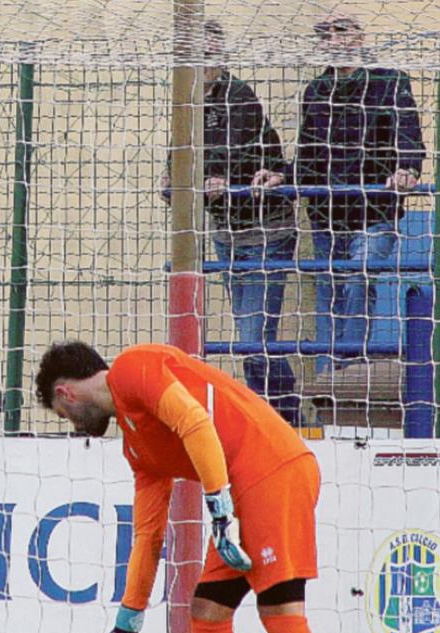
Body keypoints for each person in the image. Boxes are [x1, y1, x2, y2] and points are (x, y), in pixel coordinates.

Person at [35, 341, 330, 633]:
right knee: (208, 611)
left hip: (271, 471)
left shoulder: (133, 368)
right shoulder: (137, 448)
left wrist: (219, 507)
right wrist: (128, 623)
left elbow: (195, 421)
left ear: (65, 394)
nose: (72, 426)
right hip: (240, 489)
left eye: (62, 415)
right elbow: (148, 536)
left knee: (282, 613)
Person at [253, 14, 425, 371]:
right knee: (330, 291)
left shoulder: (390, 82)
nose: (333, 39)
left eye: (341, 31)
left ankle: (350, 371)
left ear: (360, 37)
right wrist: (282, 175)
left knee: (359, 280)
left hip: (374, 209)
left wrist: (407, 169)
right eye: (326, 34)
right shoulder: (317, 90)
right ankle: (330, 373)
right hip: (327, 211)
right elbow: (308, 150)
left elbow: (408, 132)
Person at [163, 20, 300, 424]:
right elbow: (179, 156)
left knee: (253, 341)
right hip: (227, 233)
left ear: (221, 60)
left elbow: (239, 153)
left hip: (266, 229)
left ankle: (282, 419)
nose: (204, 64)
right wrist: (173, 179)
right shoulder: (184, 102)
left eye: (210, 55)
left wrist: (220, 178)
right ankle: (280, 417)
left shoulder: (238, 96)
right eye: (196, 56)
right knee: (250, 341)